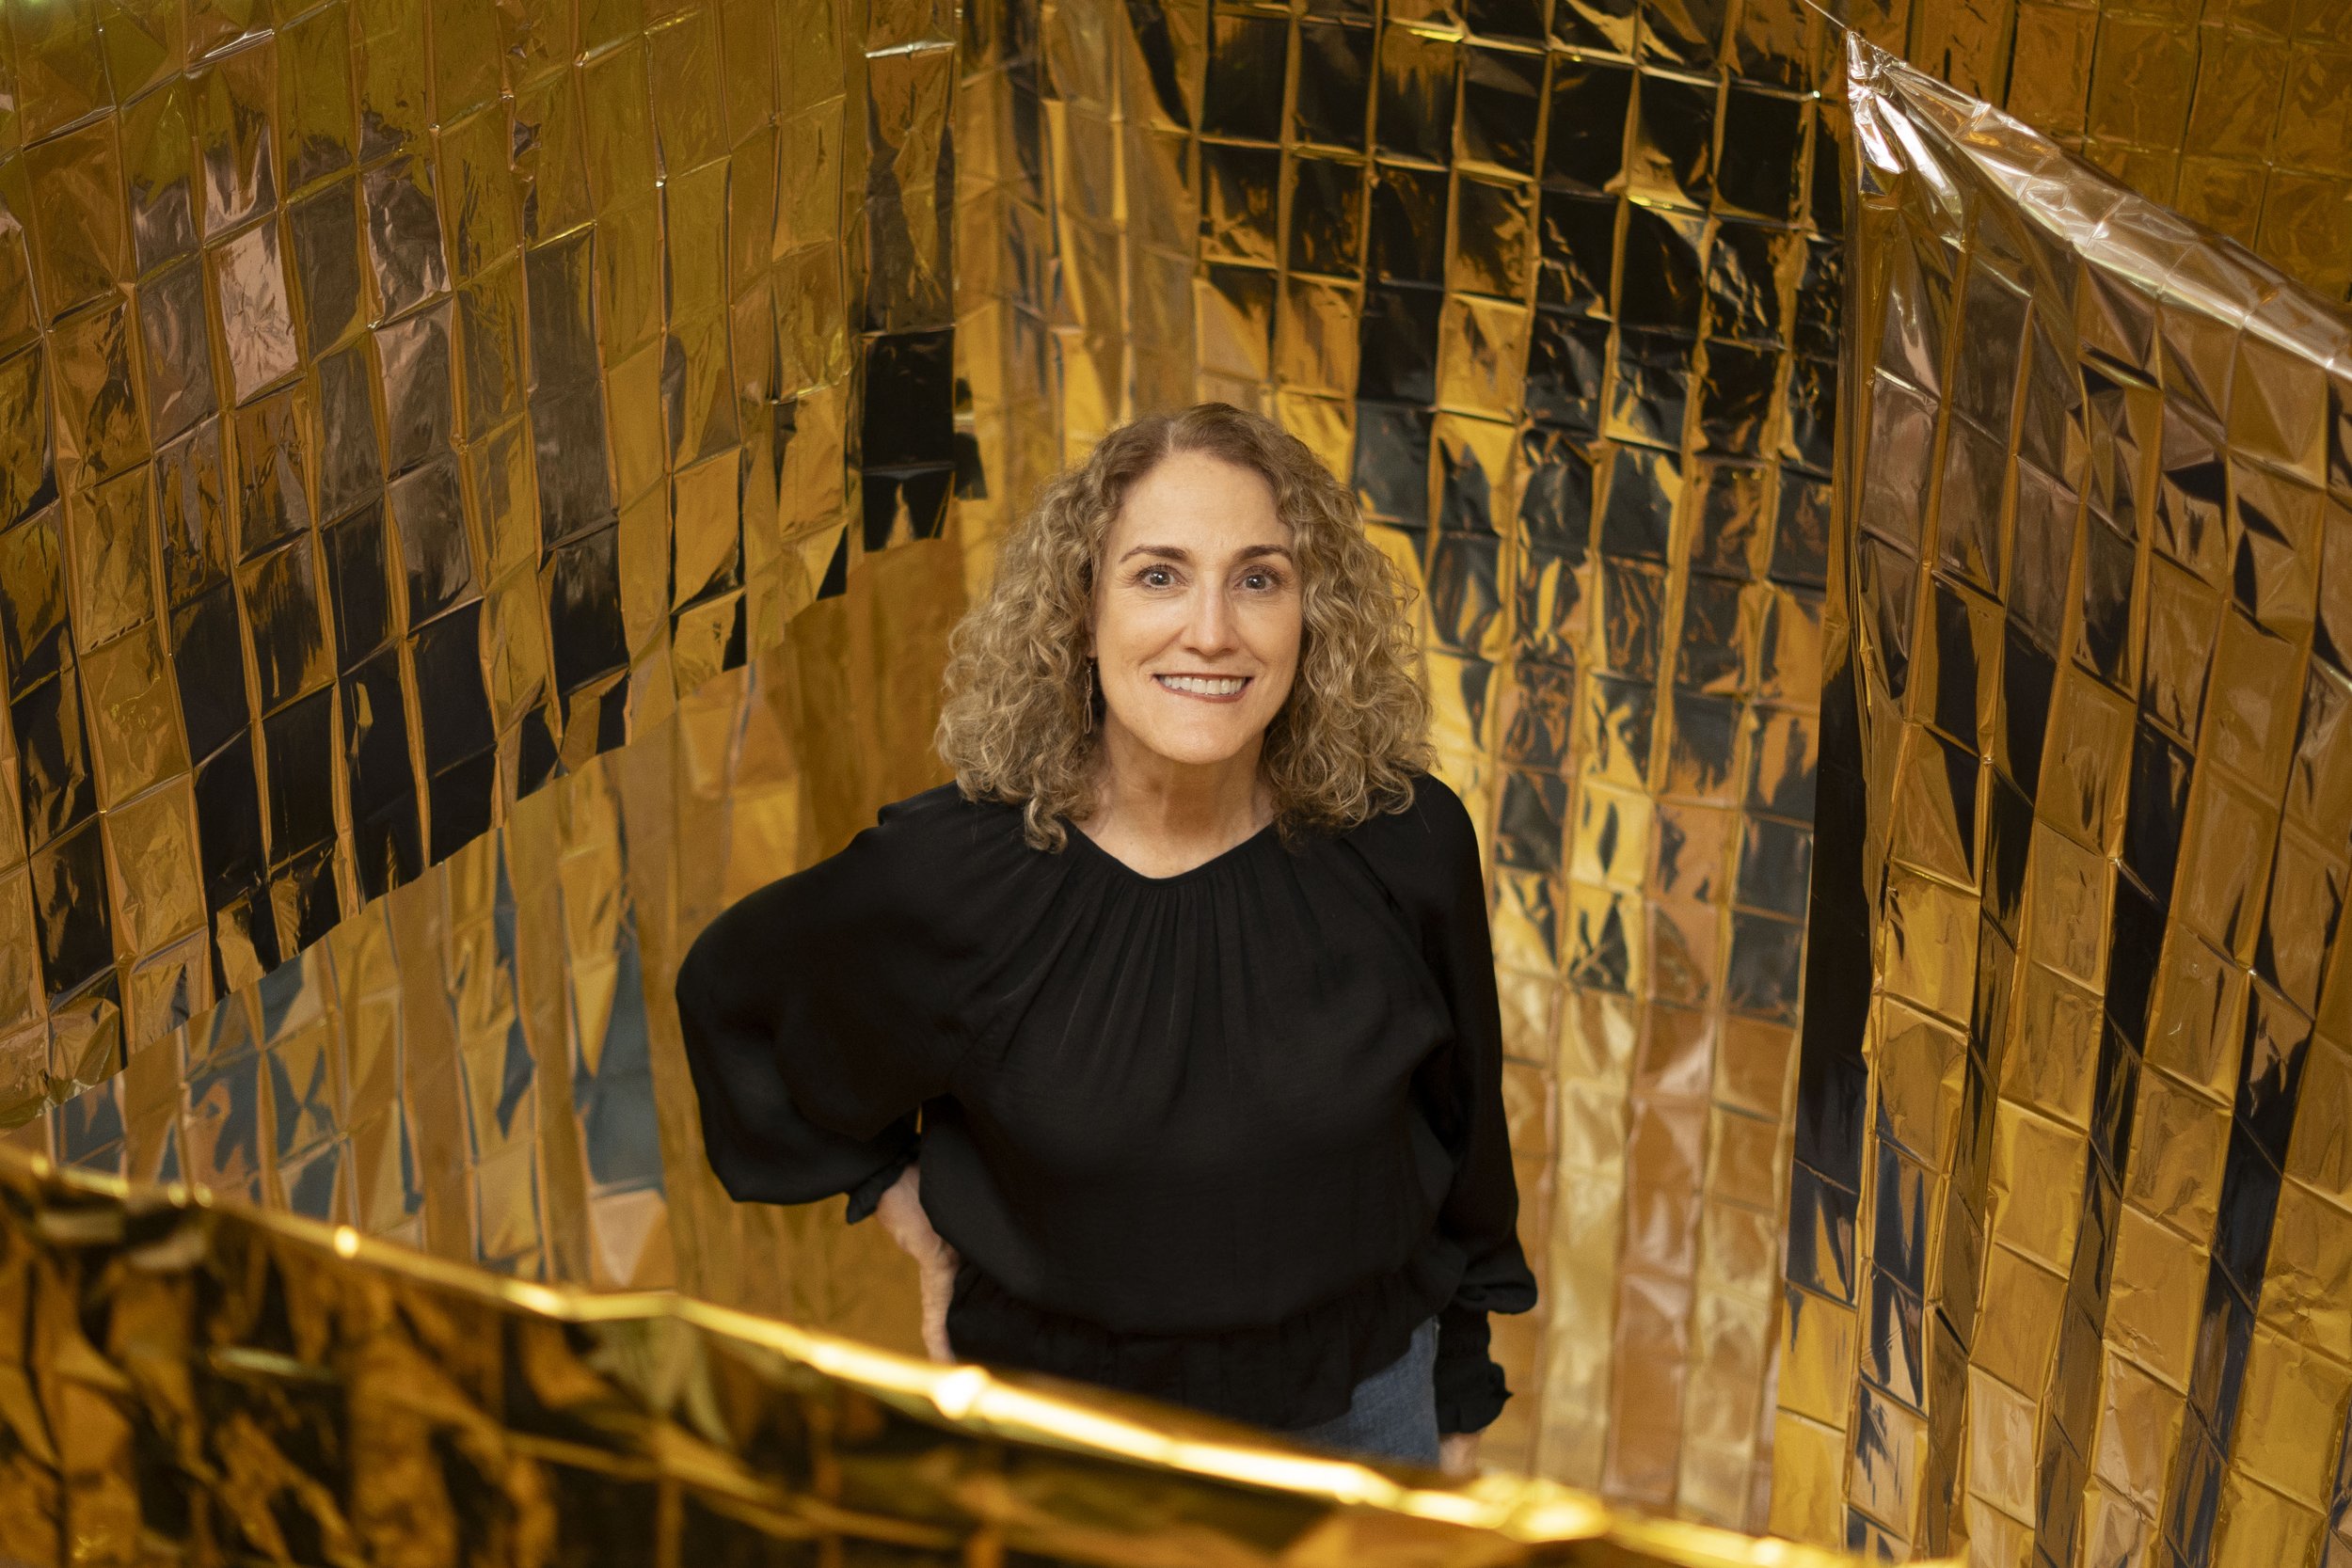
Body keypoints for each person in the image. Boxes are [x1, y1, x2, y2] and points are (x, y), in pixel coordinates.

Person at [675, 403, 1537, 1473]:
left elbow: (1463, 1136)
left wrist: (1453, 1397)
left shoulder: (1400, 841)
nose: (1212, 631)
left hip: (1358, 1419)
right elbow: (733, 996)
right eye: (1158, 575)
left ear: (1312, 615)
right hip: (1059, 1445)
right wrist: (910, 1213)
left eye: (1258, 577)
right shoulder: (960, 876)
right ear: (1081, 611)